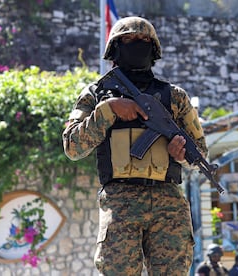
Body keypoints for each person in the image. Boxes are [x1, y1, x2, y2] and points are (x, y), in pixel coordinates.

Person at [63, 16, 208, 275]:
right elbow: (73, 147)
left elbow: (200, 152)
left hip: (168, 202)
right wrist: (108, 110)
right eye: (129, 40)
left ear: (153, 49)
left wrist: (182, 154)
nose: (137, 45)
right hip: (121, 201)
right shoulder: (96, 94)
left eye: (143, 41)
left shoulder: (175, 97)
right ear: (115, 49)